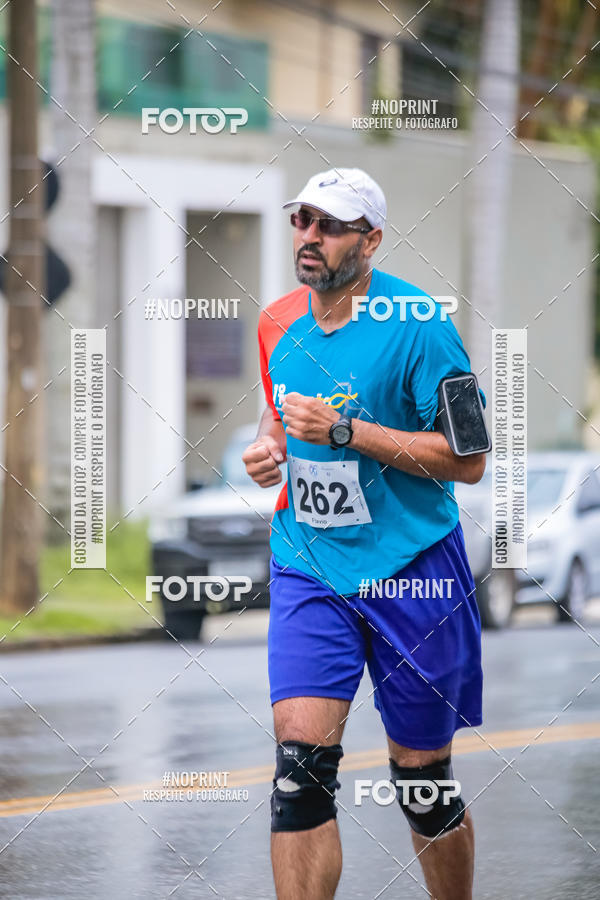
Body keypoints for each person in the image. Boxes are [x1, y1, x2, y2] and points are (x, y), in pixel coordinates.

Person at [242, 167, 486, 900]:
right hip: (310, 563)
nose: (308, 237)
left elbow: (469, 461)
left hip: (412, 568)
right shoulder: (279, 319)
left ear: (371, 239)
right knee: (299, 774)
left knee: (422, 784)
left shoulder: (421, 327)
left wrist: (348, 431)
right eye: (301, 221)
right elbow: (278, 410)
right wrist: (270, 446)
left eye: (329, 225)